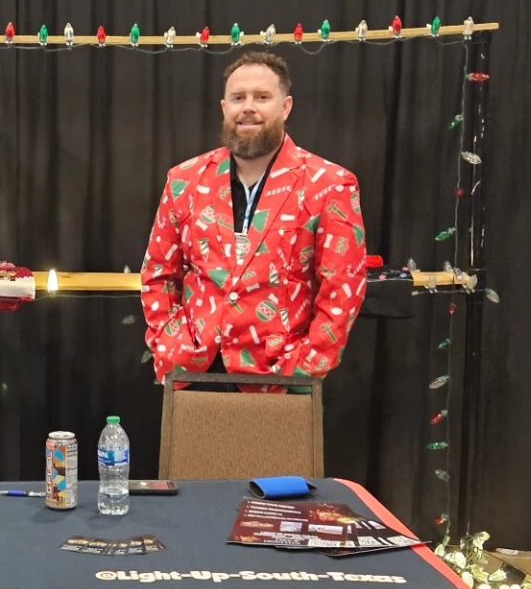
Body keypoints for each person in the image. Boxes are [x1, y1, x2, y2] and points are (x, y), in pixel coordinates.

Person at [141, 51, 366, 385]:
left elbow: (343, 289)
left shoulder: (330, 184)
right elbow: (158, 273)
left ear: (285, 107)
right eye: (238, 98)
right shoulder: (184, 179)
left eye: (262, 97)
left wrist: (305, 370)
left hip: (281, 378)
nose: (248, 107)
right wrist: (169, 342)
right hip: (192, 370)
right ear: (224, 108)